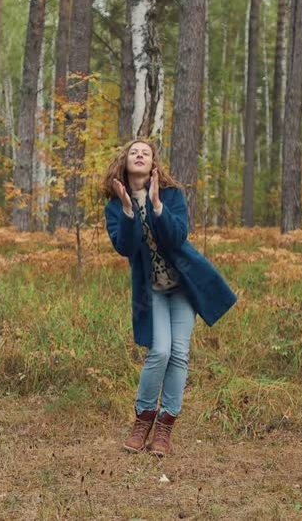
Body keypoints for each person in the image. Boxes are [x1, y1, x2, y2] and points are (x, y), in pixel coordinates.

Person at [102, 138, 237, 457]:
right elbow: (126, 247)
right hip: (152, 292)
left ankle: (164, 429)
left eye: (145, 153)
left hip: (184, 287)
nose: (139, 156)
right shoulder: (114, 204)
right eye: (133, 152)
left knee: (178, 353)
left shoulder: (171, 194)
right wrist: (128, 210)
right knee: (159, 351)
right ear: (125, 161)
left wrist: (157, 206)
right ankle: (143, 419)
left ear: (153, 164)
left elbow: (178, 237)